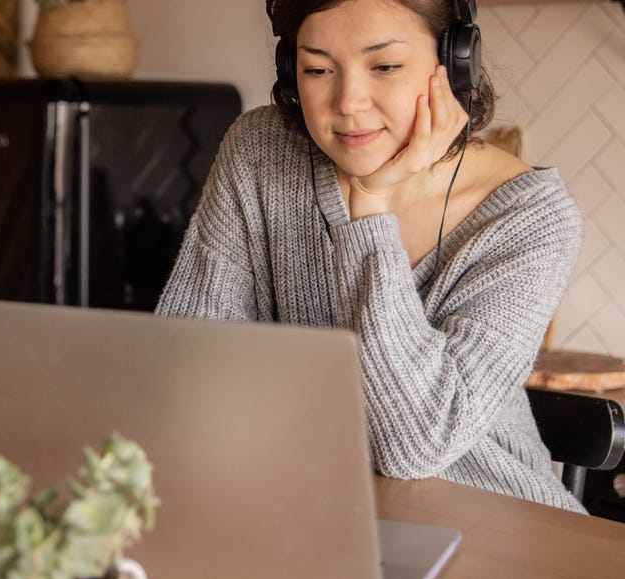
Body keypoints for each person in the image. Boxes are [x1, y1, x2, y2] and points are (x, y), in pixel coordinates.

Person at [156, 0, 584, 513]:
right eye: (317, 69)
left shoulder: (530, 218)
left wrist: (371, 210)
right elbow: (184, 373)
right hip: (313, 513)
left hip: (499, 524)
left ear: (455, 60)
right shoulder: (259, 150)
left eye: (384, 66)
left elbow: (415, 445)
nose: (349, 102)